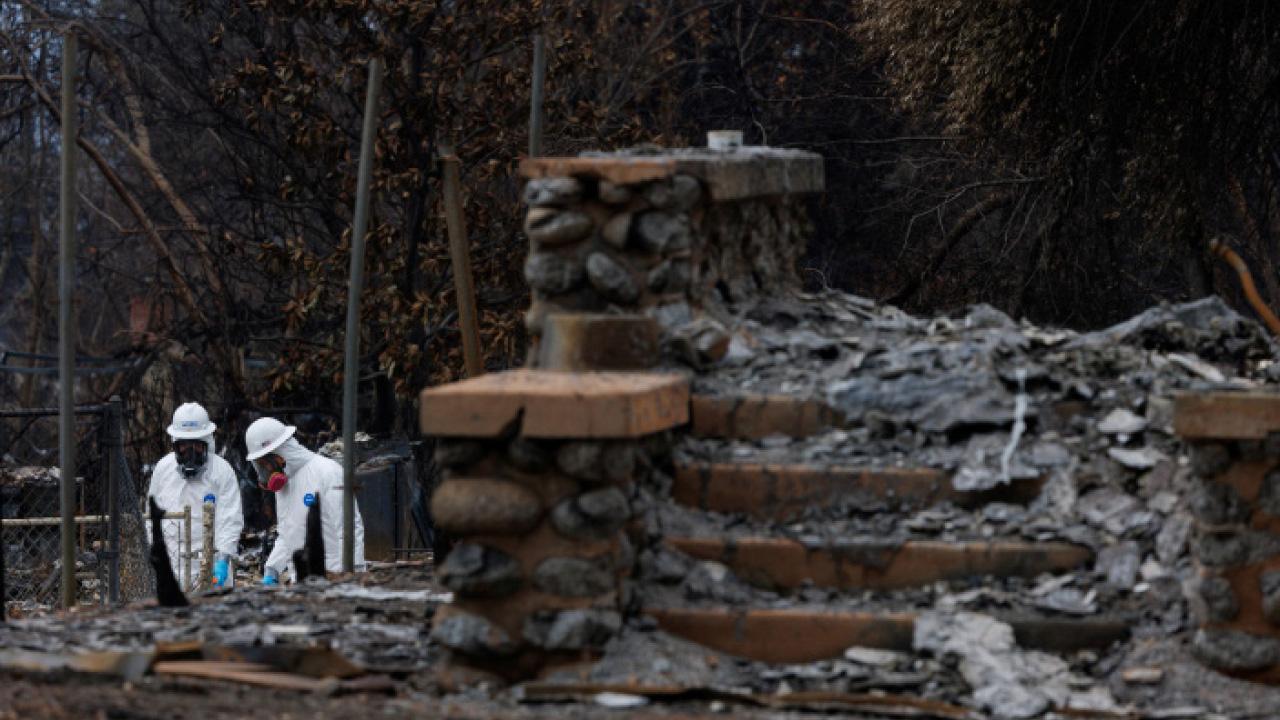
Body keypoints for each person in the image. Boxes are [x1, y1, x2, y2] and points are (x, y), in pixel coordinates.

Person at [244, 417, 365, 584]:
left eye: (265, 464)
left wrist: (353, 573)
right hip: (301, 579)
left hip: (334, 576)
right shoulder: (285, 486)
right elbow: (288, 532)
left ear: (280, 456)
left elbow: (349, 528)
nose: (265, 471)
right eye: (260, 466)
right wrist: (272, 568)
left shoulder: (328, 472)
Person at [147, 402, 243, 589]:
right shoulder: (163, 468)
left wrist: (223, 560)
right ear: (176, 445)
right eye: (183, 445)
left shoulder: (222, 471)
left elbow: (230, 519)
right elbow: (151, 517)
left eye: (196, 445)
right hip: (170, 565)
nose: (190, 451)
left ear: (206, 442)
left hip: (211, 565)